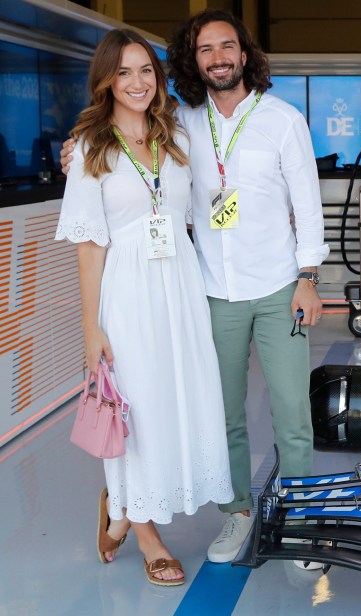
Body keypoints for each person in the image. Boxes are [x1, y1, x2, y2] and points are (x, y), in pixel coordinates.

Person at [63, 10, 328, 565]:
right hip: (208, 291)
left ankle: (300, 519)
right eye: (206, 50)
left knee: (291, 412)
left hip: (278, 286)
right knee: (220, 412)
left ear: (245, 53)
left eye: (227, 46)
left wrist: (308, 277)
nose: (218, 58)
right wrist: (76, 151)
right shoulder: (183, 125)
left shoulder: (281, 120)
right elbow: (114, 149)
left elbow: (306, 202)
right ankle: (234, 514)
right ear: (194, 61)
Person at [55, 29, 233, 586]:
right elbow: (90, 246)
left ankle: (123, 504)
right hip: (127, 293)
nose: (137, 82)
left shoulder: (173, 135)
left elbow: (207, 201)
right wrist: (91, 327)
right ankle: (148, 531)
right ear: (106, 80)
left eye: (146, 71)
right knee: (140, 411)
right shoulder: (89, 147)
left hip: (179, 286)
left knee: (176, 404)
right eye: (125, 72)